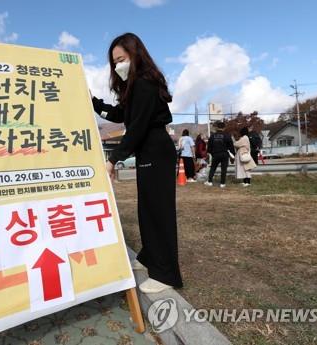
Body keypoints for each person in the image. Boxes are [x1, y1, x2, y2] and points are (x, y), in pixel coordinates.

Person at [91, 33, 183, 293]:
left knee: (158, 211)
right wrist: (94, 102)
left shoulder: (144, 83)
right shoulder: (134, 87)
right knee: (147, 208)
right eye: (114, 62)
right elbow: (121, 114)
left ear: (135, 55)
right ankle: (149, 256)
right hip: (149, 151)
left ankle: (166, 274)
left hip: (155, 149)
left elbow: (137, 128)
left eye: (121, 59)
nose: (117, 65)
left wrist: (113, 159)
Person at [204, 122, 235, 188]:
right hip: (224, 154)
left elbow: (209, 146)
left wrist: (211, 153)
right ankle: (222, 183)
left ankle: (209, 182)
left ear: (217, 127)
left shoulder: (213, 136)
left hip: (215, 154)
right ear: (224, 127)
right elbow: (231, 146)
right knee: (224, 169)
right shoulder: (227, 135)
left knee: (213, 168)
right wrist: (233, 155)